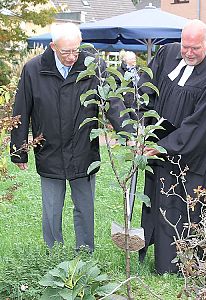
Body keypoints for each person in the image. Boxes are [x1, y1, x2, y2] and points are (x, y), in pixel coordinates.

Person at [10, 23, 128, 252]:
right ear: (53, 47)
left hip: (83, 149)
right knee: (52, 209)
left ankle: (85, 252)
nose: (72, 57)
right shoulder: (33, 69)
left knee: (84, 207)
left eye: (76, 50)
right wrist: (19, 150)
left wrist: (128, 134)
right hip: (49, 149)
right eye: (66, 52)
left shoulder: (93, 66)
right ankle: (53, 253)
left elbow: (112, 101)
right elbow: (21, 109)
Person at [138, 19, 206, 274]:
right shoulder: (167, 53)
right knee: (156, 200)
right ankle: (150, 251)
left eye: (195, 48)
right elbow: (147, 88)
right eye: (185, 46)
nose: (188, 53)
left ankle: (176, 266)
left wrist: (165, 147)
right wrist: (142, 124)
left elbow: (200, 125)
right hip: (157, 147)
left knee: (180, 207)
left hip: (191, 157)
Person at [117, 51, 140, 116]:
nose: (134, 60)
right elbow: (116, 86)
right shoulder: (119, 71)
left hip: (137, 102)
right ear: (125, 60)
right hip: (125, 104)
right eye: (131, 59)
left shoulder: (138, 70)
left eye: (134, 58)